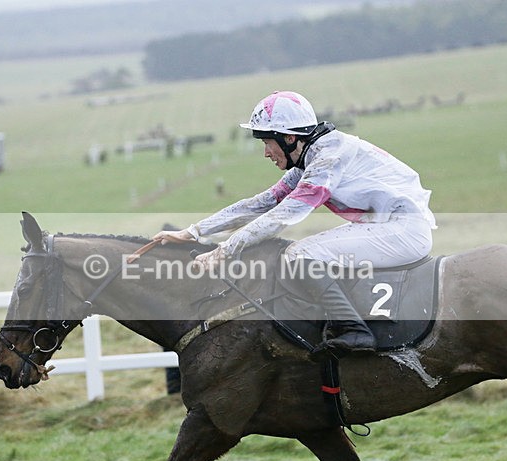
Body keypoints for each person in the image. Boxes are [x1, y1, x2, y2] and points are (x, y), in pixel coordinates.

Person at [154, 90, 435, 355]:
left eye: (267, 142)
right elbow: (262, 202)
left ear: (288, 138)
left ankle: (355, 331)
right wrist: (194, 232)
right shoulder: (311, 157)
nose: (266, 152)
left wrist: (224, 251)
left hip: (403, 231)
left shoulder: (328, 159)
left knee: (299, 254)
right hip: (387, 226)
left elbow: (283, 215)